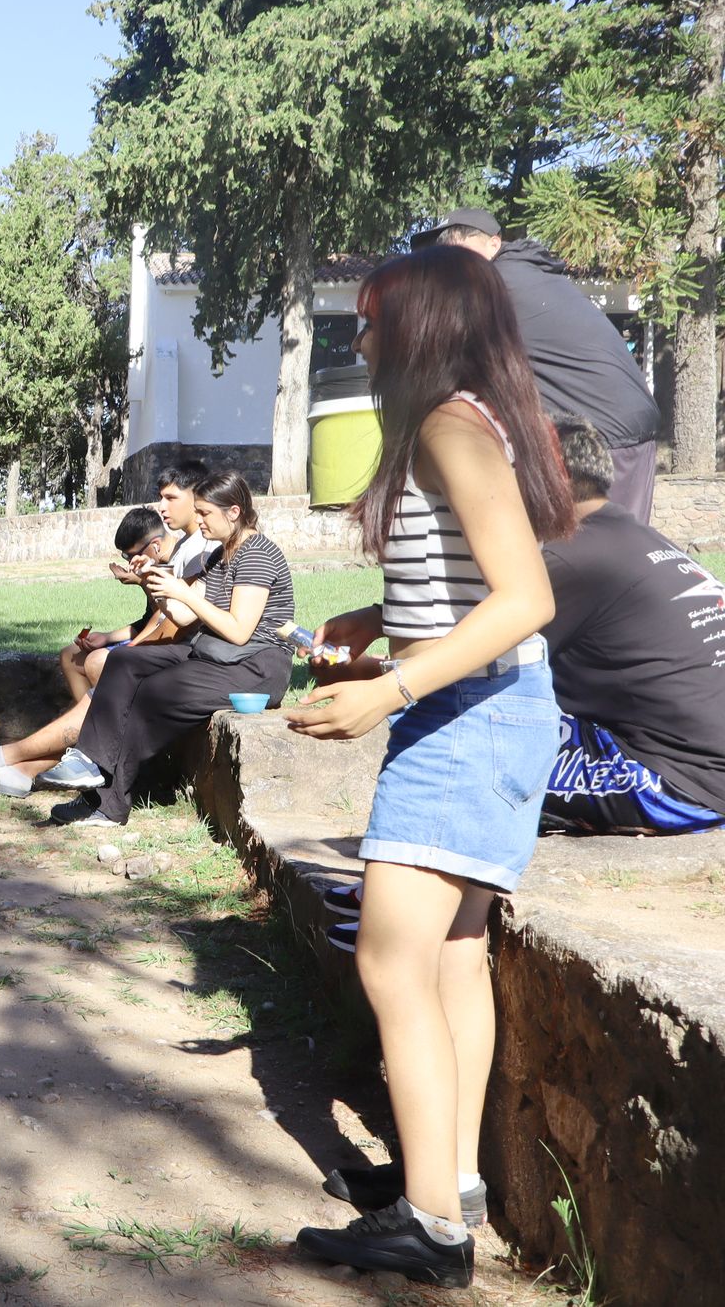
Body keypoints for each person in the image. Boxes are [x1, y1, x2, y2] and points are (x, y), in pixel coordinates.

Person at [284, 244, 573, 1288]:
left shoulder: (452, 423)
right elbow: (466, 588)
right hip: (477, 712)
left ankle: (429, 1228)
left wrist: (386, 690)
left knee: (388, 960)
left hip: (466, 716)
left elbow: (522, 597)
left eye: (367, 321)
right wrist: (373, 623)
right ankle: (443, 1186)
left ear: (424, 327)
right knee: (449, 957)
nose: (356, 339)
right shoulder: (452, 425)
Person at [43, 470, 296, 829]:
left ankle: (109, 806)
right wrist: (156, 582)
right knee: (125, 660)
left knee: (152, 691)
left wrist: (183, 591)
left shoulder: (258, 554)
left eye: (206, 513)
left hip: (255, 666)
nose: (200, 520)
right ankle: (88, 763)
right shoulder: (220, 555)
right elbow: (181, 613)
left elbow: (240, 631)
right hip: (216, 652)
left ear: (234, 512)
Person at [536, 421, 725, 835]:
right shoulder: (641, 538)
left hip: (679, 788)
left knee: (474, 727)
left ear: (547, 480)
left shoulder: (570, 559)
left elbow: (470, 655)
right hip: (707, 773)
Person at [414, 207, 661, 523]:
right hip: (617, 432)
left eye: (458, 247)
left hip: (607, 438)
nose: (450, 265)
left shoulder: (496, 285)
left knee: (598, 557)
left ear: (494, 243)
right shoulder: (524, 276)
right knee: (595, 555)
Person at [0, 504, 199, 797]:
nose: (127, 562)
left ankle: (14, 762)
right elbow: (150, 621)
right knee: (72, 656)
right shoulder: (171, 559)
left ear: (153, 546)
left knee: (99, 664)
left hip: (172, 660)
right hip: (156, 652)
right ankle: (70, 751)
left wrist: (141, 587)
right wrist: (107, 636)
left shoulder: (188, 558)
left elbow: (172, 627)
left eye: (129, 555)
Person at [67, 464, 213, 703]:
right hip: (172, 641)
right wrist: (117, 639)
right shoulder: (187, 545)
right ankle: (88, 723)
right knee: (71, 655)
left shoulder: (202, 547)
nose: (162, 507)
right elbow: (160, 616)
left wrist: (131, 647)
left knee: (98, 661)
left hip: (189, 650)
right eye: (161, 498)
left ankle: (98, 726)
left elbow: (179, 622)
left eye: (171, 498)